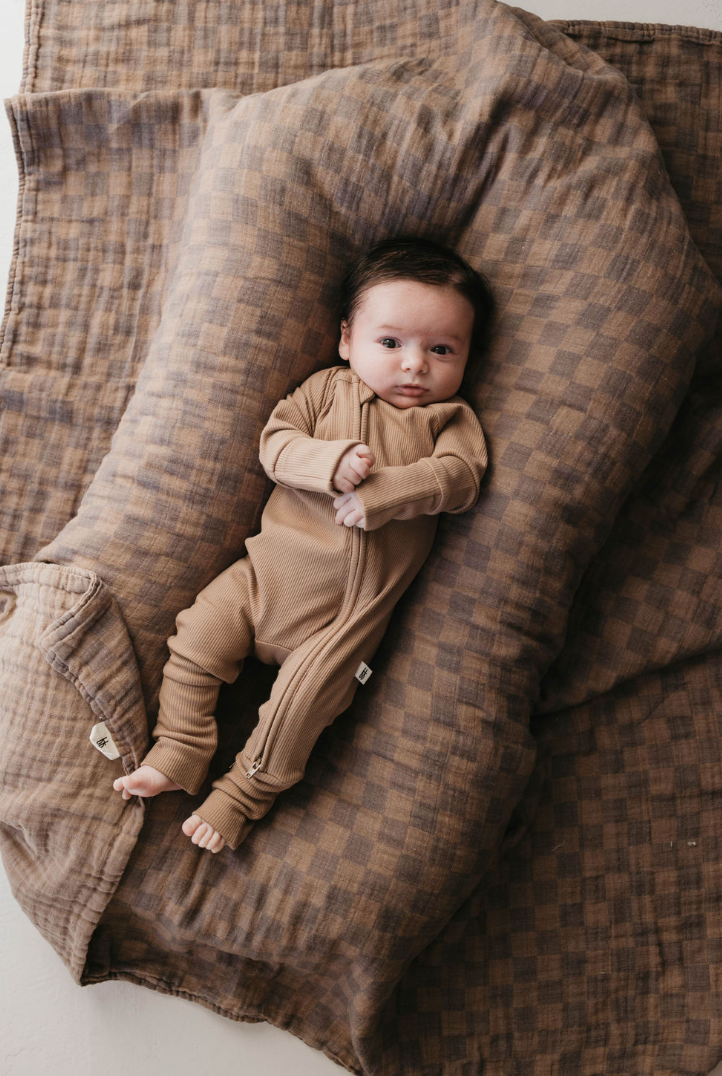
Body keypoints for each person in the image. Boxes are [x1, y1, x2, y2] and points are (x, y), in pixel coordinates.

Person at [113, 235, 493, 852]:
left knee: (300, 710)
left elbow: (459, 479)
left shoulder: (449, 421)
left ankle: (241, 794)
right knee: (195, 638)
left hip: (346, 618)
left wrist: (385, 491)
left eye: (442, 349)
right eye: (391, 342)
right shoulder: (323, 392)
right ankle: (180, 748)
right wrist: (329, 461)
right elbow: (275, 445)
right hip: (264, 577)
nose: (415, 365)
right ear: (348, 340)